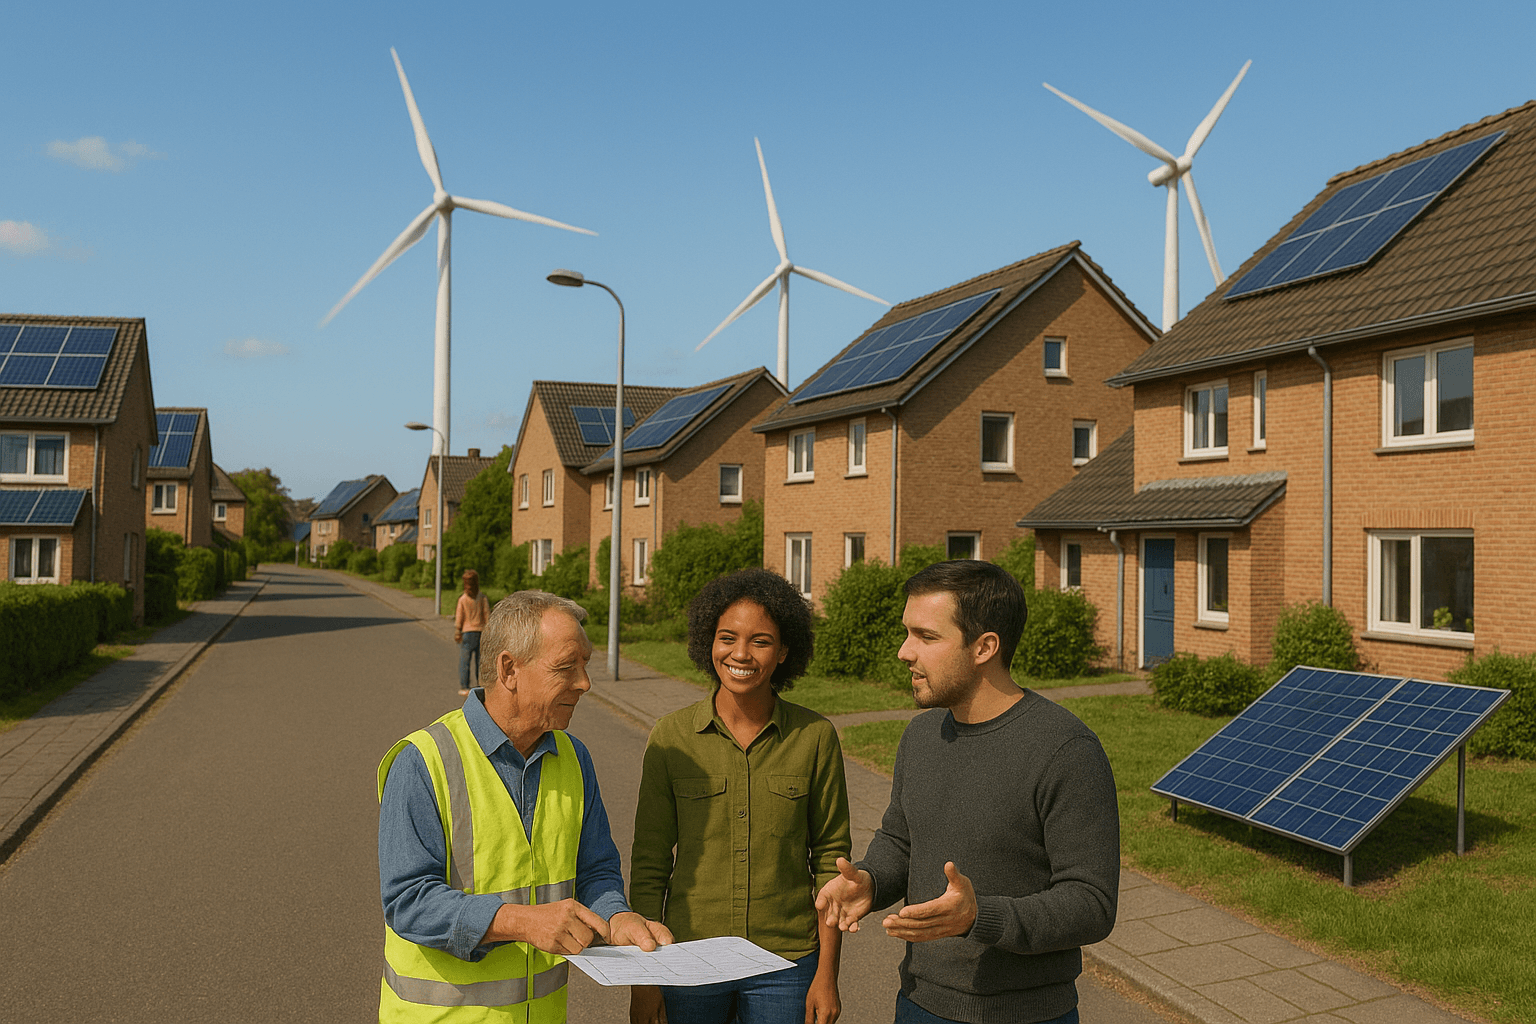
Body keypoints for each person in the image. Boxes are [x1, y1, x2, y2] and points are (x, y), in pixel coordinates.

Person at [815, 561, 1119, 1024]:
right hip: (918, 1004)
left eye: (926, 637)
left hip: (1027, 1015)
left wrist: (981, 917)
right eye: (907, 633)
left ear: (985, 647)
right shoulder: (920, 738)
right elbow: (901, 842)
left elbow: (1092, 903)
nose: (904, 651)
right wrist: (871, 881)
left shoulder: (1065, 749)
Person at [378, 589, 672, 1023]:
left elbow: (596, 870)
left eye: (586, 665)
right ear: (509, 669)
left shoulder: (575, 757)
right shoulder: (423, 761)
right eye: (565, 667)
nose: (585, 683)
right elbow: (408, 901)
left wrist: (618, 917)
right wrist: (519, 921)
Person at [629, 568, 851, 1024]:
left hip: (786, 963)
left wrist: (827, 974)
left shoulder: (815, 737)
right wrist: (645, 980)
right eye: (727, 637)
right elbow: (650, 863)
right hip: (687, 957)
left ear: (785, 650)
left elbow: (832, 861)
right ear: (707, 642)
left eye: (761, 641)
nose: (741, 654)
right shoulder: (671, 737)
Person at [454, 569, 491, 697]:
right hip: (481, 632)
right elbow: (487, 615)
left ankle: (465, 686)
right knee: (480, 662)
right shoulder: (482, 597)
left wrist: (457, 631)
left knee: (465, 661)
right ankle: (481, 686)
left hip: (467, 633)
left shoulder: (463, 599)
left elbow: (459, 616)